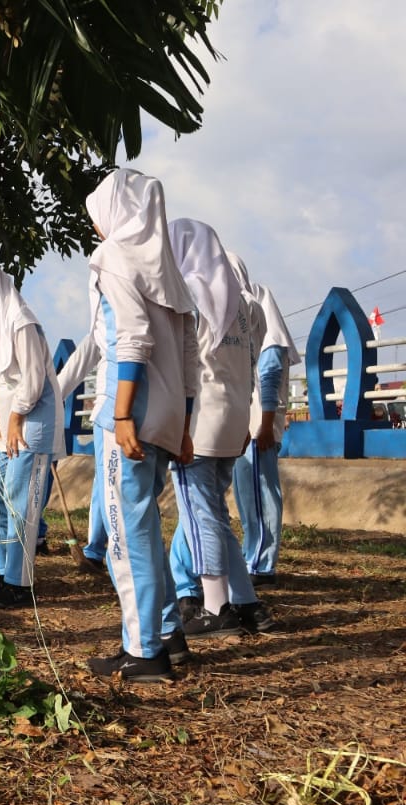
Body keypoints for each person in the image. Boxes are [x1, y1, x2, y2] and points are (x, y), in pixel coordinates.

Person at [81, 168, 199, 683]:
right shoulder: (169, 271)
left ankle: (143, 650)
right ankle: (168, 633)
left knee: (125, 538)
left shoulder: (114, 258)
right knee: (145, 527)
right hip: (170, 414)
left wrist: (122, 413)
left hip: (129, 414)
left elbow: (130, 340)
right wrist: (186, 425)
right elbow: (190, 361)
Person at [165, 219, 278, 642]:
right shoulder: (245, 304)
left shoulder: (189, 295)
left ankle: (215, 608)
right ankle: (246, 602)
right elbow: (251, 363)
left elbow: (183, 362)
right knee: (217, 515)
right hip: (234, 420)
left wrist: (175, 422)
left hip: (200, 422)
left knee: (200, 516)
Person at [0, 259, 65, 608]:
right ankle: (3, 570)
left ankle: (19, 582)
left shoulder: (21, 321)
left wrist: (15, 418)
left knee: (20, 501)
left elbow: (33, 379)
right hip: (7, 421)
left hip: (32, 420)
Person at [227, 252, 298, 589]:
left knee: (259, 493)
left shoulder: (260, 317)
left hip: (258, 425)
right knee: (249, 494)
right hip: (250, 422)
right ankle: (253, 556)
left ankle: (260, 563)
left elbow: (267, 376)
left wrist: (264, 424)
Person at [55, 332, 110, 573]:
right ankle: (96, 550)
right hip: (110, 417)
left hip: (152, 417)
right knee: (105, 482)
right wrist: (51, 401)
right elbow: (78, 363)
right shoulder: (105, 321)